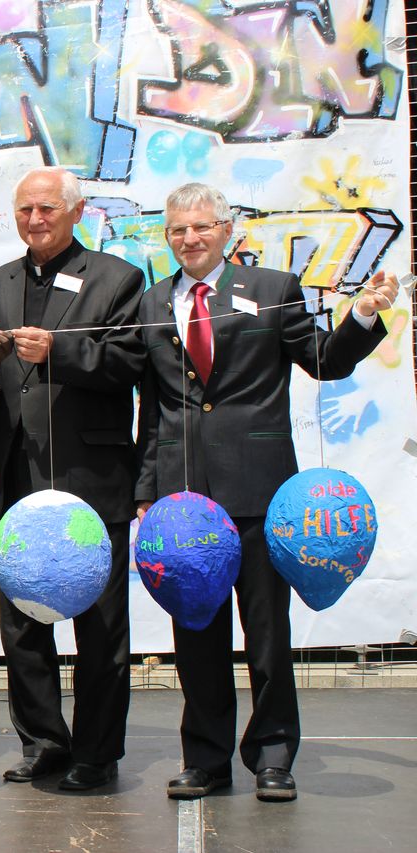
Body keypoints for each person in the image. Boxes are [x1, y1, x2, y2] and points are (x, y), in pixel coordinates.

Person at [137, 182, 397, 802]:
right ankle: (204, 758)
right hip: (184, 506)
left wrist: (361, 314)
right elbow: (151, 408)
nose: (189, 239)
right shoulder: (150, 301)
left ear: (227, 230)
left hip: (259, 491)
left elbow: (325, 361)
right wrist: (146, 489)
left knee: (267, 635)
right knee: (195, 635)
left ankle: (273, 755)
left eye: (201, 227)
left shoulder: (272, 289)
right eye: (177, 230)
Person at [0, 166, 144, 791]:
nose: (35, 221)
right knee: (23, 621)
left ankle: (96, 752)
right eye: (25, 211)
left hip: (94, 478)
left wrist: (59, 351)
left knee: (101, 625)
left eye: (47, 209)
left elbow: (130, 364)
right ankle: (42, 740)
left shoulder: (118, 278)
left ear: (76, 210)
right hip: (16, 475)